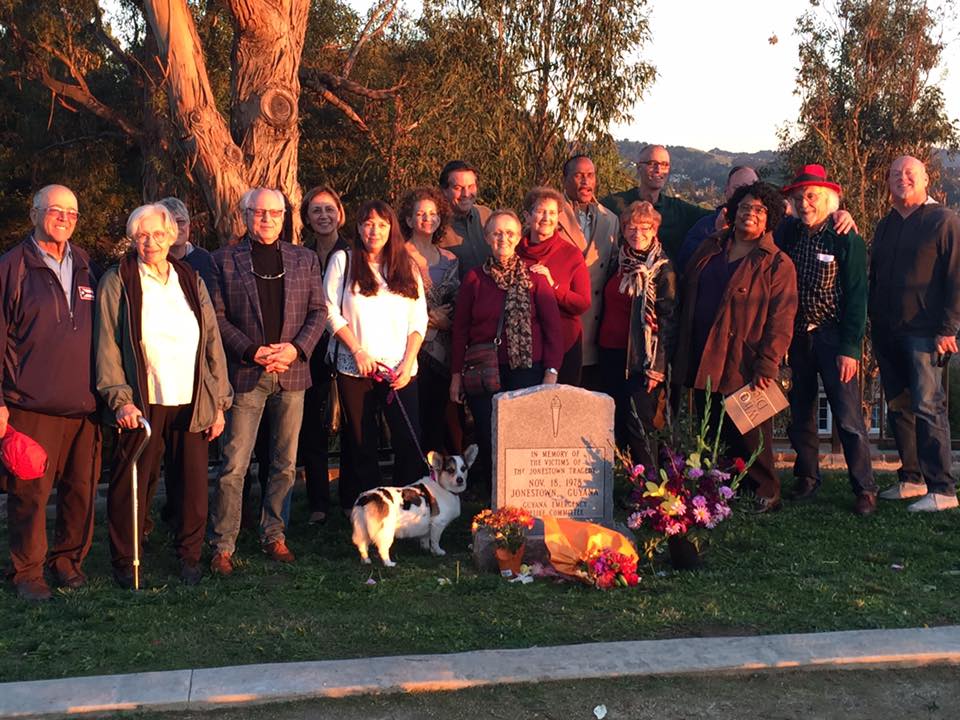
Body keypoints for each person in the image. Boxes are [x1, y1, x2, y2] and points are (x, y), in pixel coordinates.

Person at [95, 203, 232, 587]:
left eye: (157, 234)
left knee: (191, 483)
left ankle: (189, 556)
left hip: (190, 397)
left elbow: (212, 344)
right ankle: (126, 558)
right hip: (142, 399)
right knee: (133, 480)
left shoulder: (188, 277)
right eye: (142, 235)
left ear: (172, 237)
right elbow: (106, 345)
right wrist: (119, 399)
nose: (150, 242)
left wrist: (218, 401)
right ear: (133, 239)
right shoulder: (118, 280)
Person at [208, 188, 325, 574]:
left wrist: (295, 349)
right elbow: (217, 318)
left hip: (291, 372)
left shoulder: (303, 258)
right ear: (245, 215)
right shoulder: (223, 260)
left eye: (275, 213)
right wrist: (252, 351)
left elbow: (318, 311)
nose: (267, 219)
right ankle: (223, 543)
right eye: (259, 212)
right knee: (234, 464)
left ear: (285, 216)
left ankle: (274, 534)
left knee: (285, 463)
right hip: (247, 372)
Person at [0, 184, 101, 601]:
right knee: (31, 495)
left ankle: (67, 562)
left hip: (84, 405)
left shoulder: (86, 264)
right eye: (55, 210)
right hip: (30, 405)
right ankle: (28, 572)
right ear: (34, 213)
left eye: (72, 213)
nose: (64, 218)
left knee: (81, 490)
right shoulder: (12, 266)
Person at [673, 181, 798, 513]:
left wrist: (768, 363)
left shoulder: (777, 263)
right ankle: (722, 486)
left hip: (745, 358)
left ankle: (766, 489)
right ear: (732, 211)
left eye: (759, 210)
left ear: (770, 218)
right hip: (703, 351)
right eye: (744, 207)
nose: (750, 214)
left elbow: (782, 317)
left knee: (750, 431)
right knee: (711, 424)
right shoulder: (712, 246)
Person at [778, 164, 877, 515]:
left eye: (812, 196)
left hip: (834, 337)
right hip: (798, 336)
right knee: (802, 411)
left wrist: (850, 349)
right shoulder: (788, 233)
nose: (805, 203)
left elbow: (857, 295)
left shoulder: (844, 237)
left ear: (829, 200)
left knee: (848, 415)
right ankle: (807, 477)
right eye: (799, 197)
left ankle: (864, 488)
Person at [450, 210, 563, 497]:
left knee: (523, 438)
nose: (504, 238)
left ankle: (524, 500)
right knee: (489, 438)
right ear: (487, 238)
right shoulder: (474, 279)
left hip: (527, 370)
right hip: (484, 373)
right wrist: (455, 376)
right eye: (497, 233)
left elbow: (553, 330)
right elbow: (460, 330)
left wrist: (551, 373)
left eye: (510, 233)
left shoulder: (534, 278)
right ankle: (495, 501)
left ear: (518, 237)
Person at [870, 155, 960, 512]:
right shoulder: (886, 224)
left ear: (926, 179)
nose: (901, 178)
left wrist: (949, 328)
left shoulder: (944, 221)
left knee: (928, 407)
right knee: (900, 407)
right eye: (894, 174)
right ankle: (911, 478)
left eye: (909, 173)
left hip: (926, 332)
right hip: (887, 330)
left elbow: (956, 278)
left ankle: (942, 488)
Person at [324, 200, 428, 507]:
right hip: (356, 368)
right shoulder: (343, 261)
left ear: (392, 228)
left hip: (399, 370)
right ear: (358, 227)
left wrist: (408, 363)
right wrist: (356, 349)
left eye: (382, 224)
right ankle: (368, 509)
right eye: (368, 223)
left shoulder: (405, 264)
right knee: (361, 443)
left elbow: (418, 318)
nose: (375, 230)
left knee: (408, 441)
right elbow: (329, 311)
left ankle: (408, 508)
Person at [596, 201, 677, 470]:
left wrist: (657, 367)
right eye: (631, 226)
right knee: (617, 419)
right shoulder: (618, 261)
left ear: (655, 231)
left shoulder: (662, 269)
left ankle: (651, 484)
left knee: (640, 423)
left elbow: (668, 320)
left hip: (641, 359)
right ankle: (631, 477)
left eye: (645, 227)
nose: (637, 233)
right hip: (609, 354)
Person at [298, 185, 352, 524]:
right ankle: (318, 501)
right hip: (311, 349)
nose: (323, 216)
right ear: (306, 217)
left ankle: (350, 496)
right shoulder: (300, 255)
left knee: (352, 425)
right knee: (313, 427)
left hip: (348, 346)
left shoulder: (356, 253)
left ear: (340, 214)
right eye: (316, 210)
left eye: (329, 209)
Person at [398, 186, 463, 455]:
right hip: (410, 350)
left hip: (444, 351)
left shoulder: (450, 259)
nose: (428, 218)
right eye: (421, 213)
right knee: (413, 418)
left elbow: (458, 302)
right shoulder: (397, 256)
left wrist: (448, 322)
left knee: (438, 418)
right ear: (410, 219)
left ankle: (436, 481)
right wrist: (427, 320)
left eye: (433, 213)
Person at [558, 155, 621, 390]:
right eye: (578, 175)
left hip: (595, 331)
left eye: (590, 175)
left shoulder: (610, 220)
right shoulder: (550, 214)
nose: (586, 181)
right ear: (565, 180)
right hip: (559, 323)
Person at [518, 187, 591, 385]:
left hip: (565, 344)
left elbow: (583, 303)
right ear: (527, 215)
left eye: (552, 213)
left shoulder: (571, 254)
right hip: (525, 347)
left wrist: (554, 287)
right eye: (540, 211)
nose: (546, 218)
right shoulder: (515, 253)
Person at [601, 144, 711, 262]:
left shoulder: (678, 210)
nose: (659, 170)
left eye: (664, 165)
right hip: (622, 276)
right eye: (652, 164)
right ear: (639, 168)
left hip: (665, 278)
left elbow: (716, 217)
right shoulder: (614, 203)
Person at [676, 166, 760, 272]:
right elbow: (686, 267)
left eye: (751, 190)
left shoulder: (770, 232)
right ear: (726, 191)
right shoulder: (705, 227)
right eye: (738, 189)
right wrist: (719, 236)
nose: (745, 196)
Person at [437, 160, 492, 276]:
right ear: (444, 191)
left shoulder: (487, 216)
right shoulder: (435, 225)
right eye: (458, 188)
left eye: (471, 186)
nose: (466, 194)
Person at [158, 197, 218, 292]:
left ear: (188, 224)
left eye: (180, 222)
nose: (175, 228)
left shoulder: (204, 258)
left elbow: (215, 301)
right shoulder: (153, 262)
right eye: (169, 223)